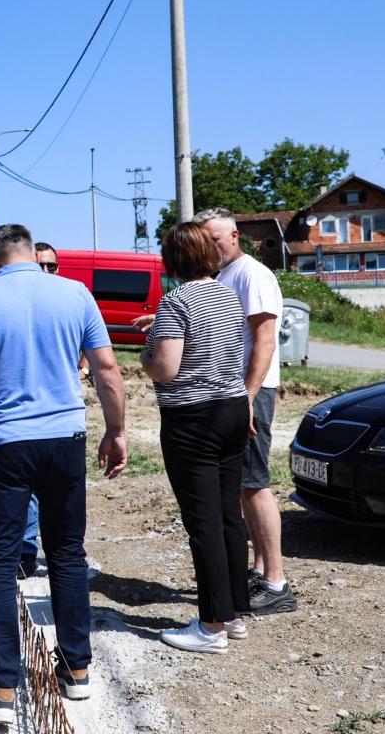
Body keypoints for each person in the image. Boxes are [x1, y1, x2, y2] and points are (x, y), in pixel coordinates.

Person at [0, 224, 128, 724]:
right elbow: (107, 369)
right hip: (65, 438)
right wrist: (116, 431)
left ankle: (2, 691)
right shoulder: (75, 294)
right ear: (32, 253)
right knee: (66, 552)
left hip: (5, 443)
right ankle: (77, 671)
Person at [140, 222, 249, 654]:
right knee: (228, 516)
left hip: (192, 418)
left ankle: (210, 627)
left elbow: (165, 369)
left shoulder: (176, 301)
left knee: (203, 522)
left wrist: (146, 353)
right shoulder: (227, 294)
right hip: (232, 408)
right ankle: (234, 614)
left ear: (172, 260)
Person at [193, 208, 296, 614]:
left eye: (214, 240)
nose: (209, 248)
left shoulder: (251, 274)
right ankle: (259, 570)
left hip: (250, 392)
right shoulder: (224, 276)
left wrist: (248, 398)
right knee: (243, 484)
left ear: (234, 236)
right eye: (203, 241)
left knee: (254, 483)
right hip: (235, 393)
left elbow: (265, 341)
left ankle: (276, 583)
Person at [18, 242, 91, 580]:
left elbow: (96, 340)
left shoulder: (70, 298)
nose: (47, 271)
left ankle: (63, 554)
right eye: (40, 265)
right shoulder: (20, 302)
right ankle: (26, 550)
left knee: (61, 492)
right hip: (26, 414)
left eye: (52, 266)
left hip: (63, 415)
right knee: (31, 489)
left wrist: (83, 368)